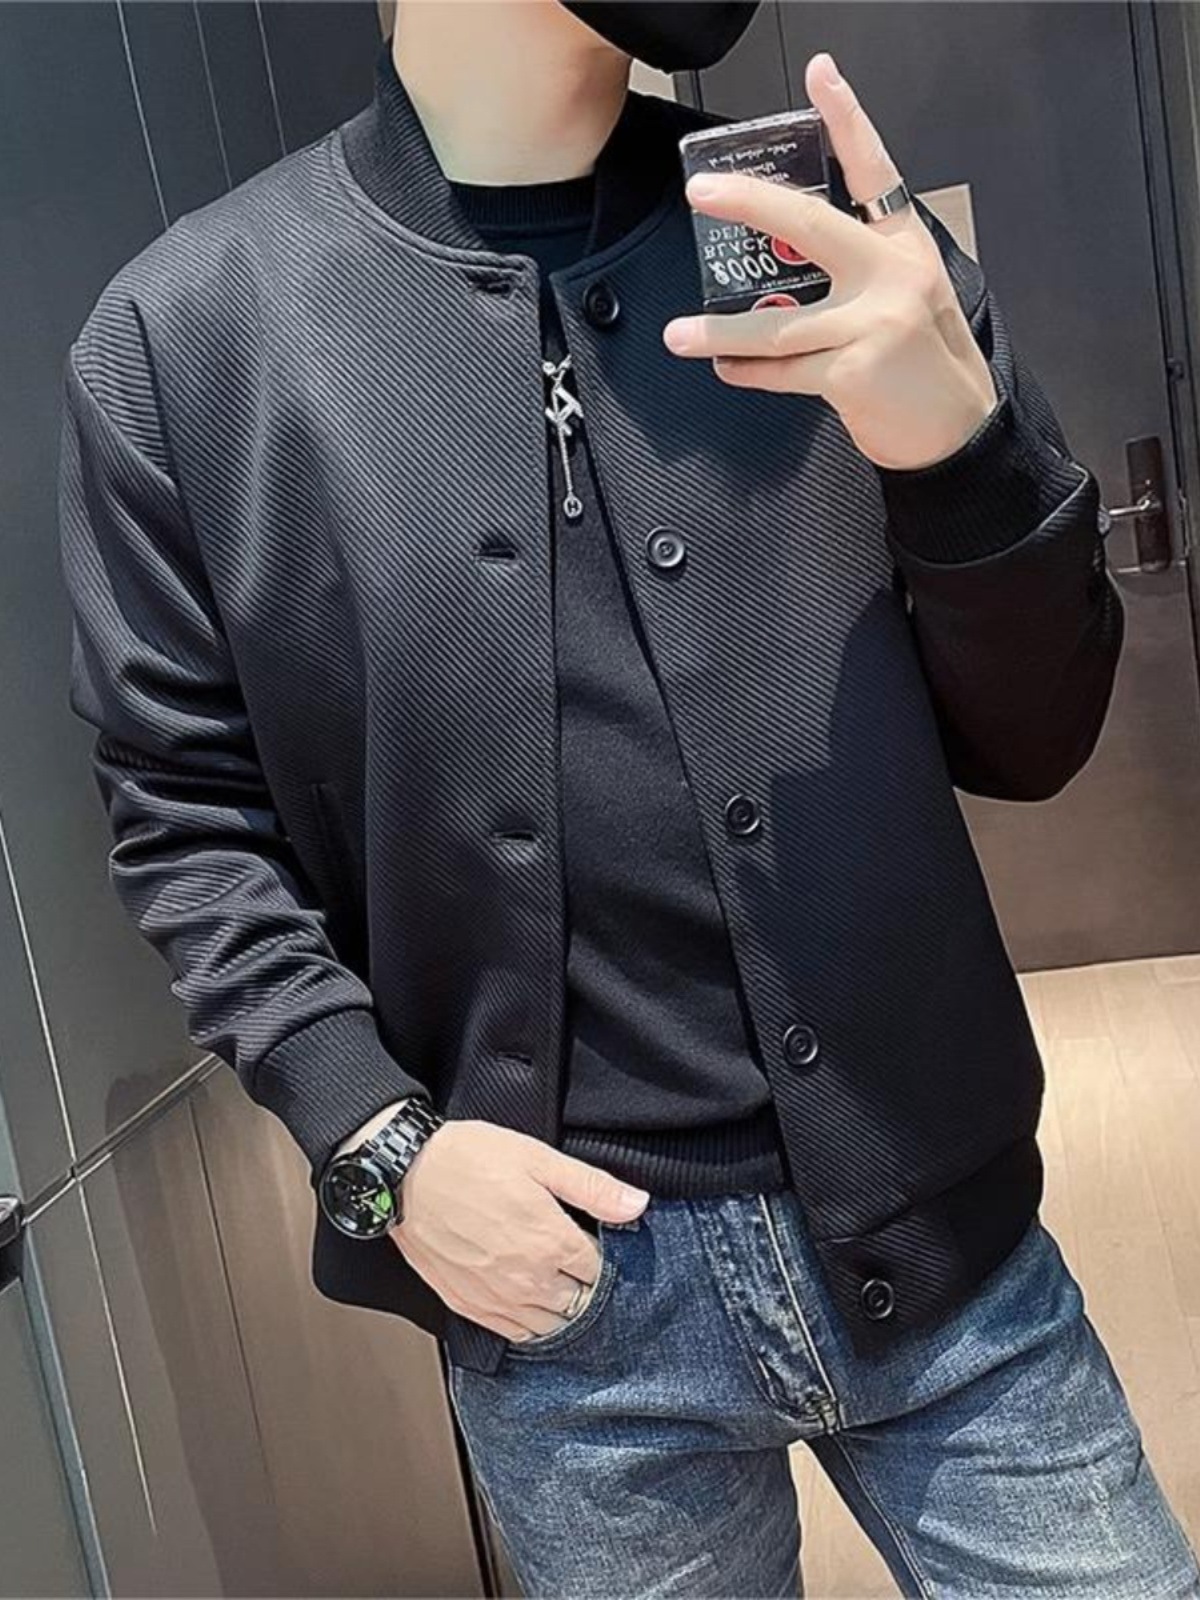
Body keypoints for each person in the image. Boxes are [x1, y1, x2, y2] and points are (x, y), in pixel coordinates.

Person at [57, 3, 1199, 1595]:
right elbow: (186, 815)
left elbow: (1040, 735)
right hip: (569, 1318)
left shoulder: (822, 237)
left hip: (945, 1244)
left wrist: (961, 460)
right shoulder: (190, 337)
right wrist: (379, 1149)